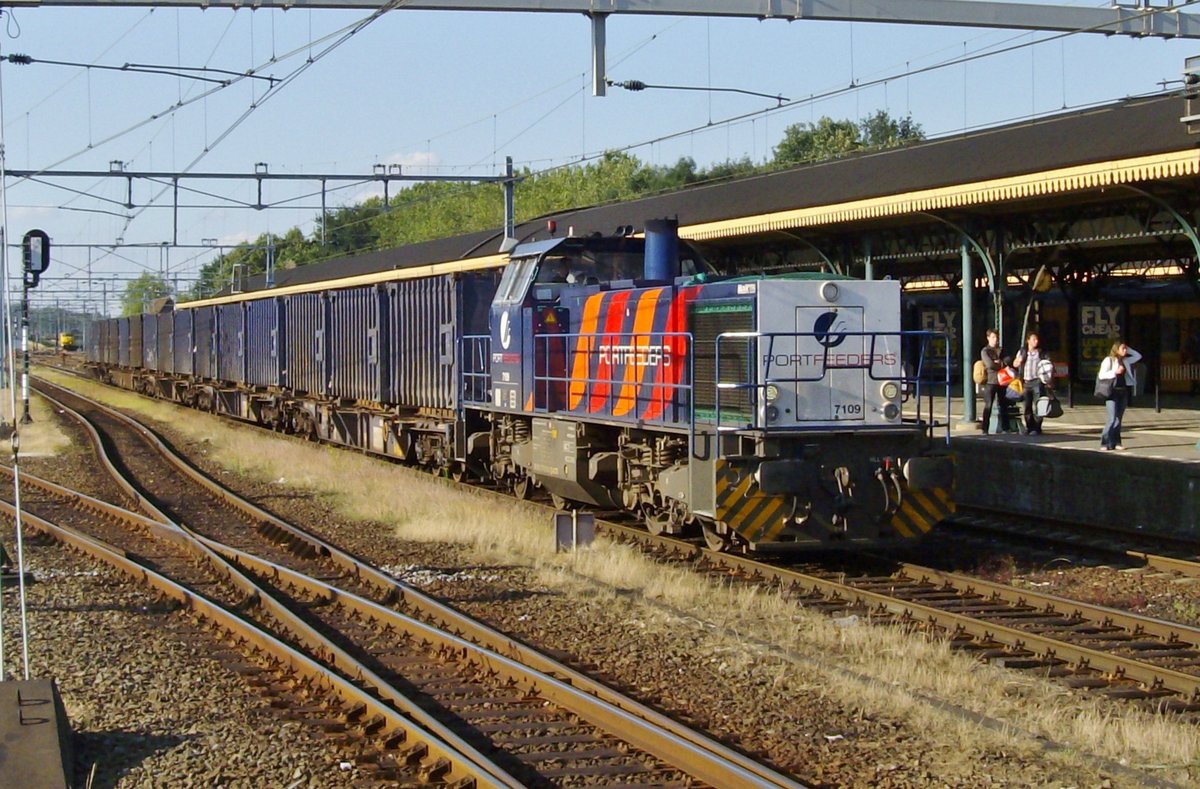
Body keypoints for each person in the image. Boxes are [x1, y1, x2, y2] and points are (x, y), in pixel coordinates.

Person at [1097, 340, 1142, 451]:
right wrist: (1115, 372)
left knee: (1118, 420)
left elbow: (1138, 356)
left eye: (1126, 349)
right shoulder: (1109, 360)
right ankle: (1104, 441)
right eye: (1123, 348)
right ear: (1116, 349)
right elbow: (1101, 375)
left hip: (1122, 391)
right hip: (1112, 392)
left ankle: (1116, 442)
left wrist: (1128, 348)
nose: (1125, 351)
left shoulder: (1126, 360)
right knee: (1112, 418)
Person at [1013, 331, 1046, 436]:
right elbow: (1015, 363)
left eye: (1037, 339)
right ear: (1028, 341)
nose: (1036, 342)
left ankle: (1037, 427)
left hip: (1037, 381)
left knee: (1039, 406)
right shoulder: (1023, 352)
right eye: (1033, 339)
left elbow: (1047, 365)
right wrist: (1018, 362)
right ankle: (1029, 427)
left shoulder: (1040, 353)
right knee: (1027, 406)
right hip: (1026, 382)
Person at [979, 328, 1009, 435]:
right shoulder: (985, 351)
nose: (995, 339)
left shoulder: (1001, 350)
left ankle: (1006, 427)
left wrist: (999, 363)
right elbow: (989, 365)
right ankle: (985, 428)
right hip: (990, 381)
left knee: (1003, 404)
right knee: (988, 405)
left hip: (1002, 381)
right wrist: (999, 364)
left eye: (996, 337)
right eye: (993, 337)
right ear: (988, 338)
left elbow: (1007, 360)